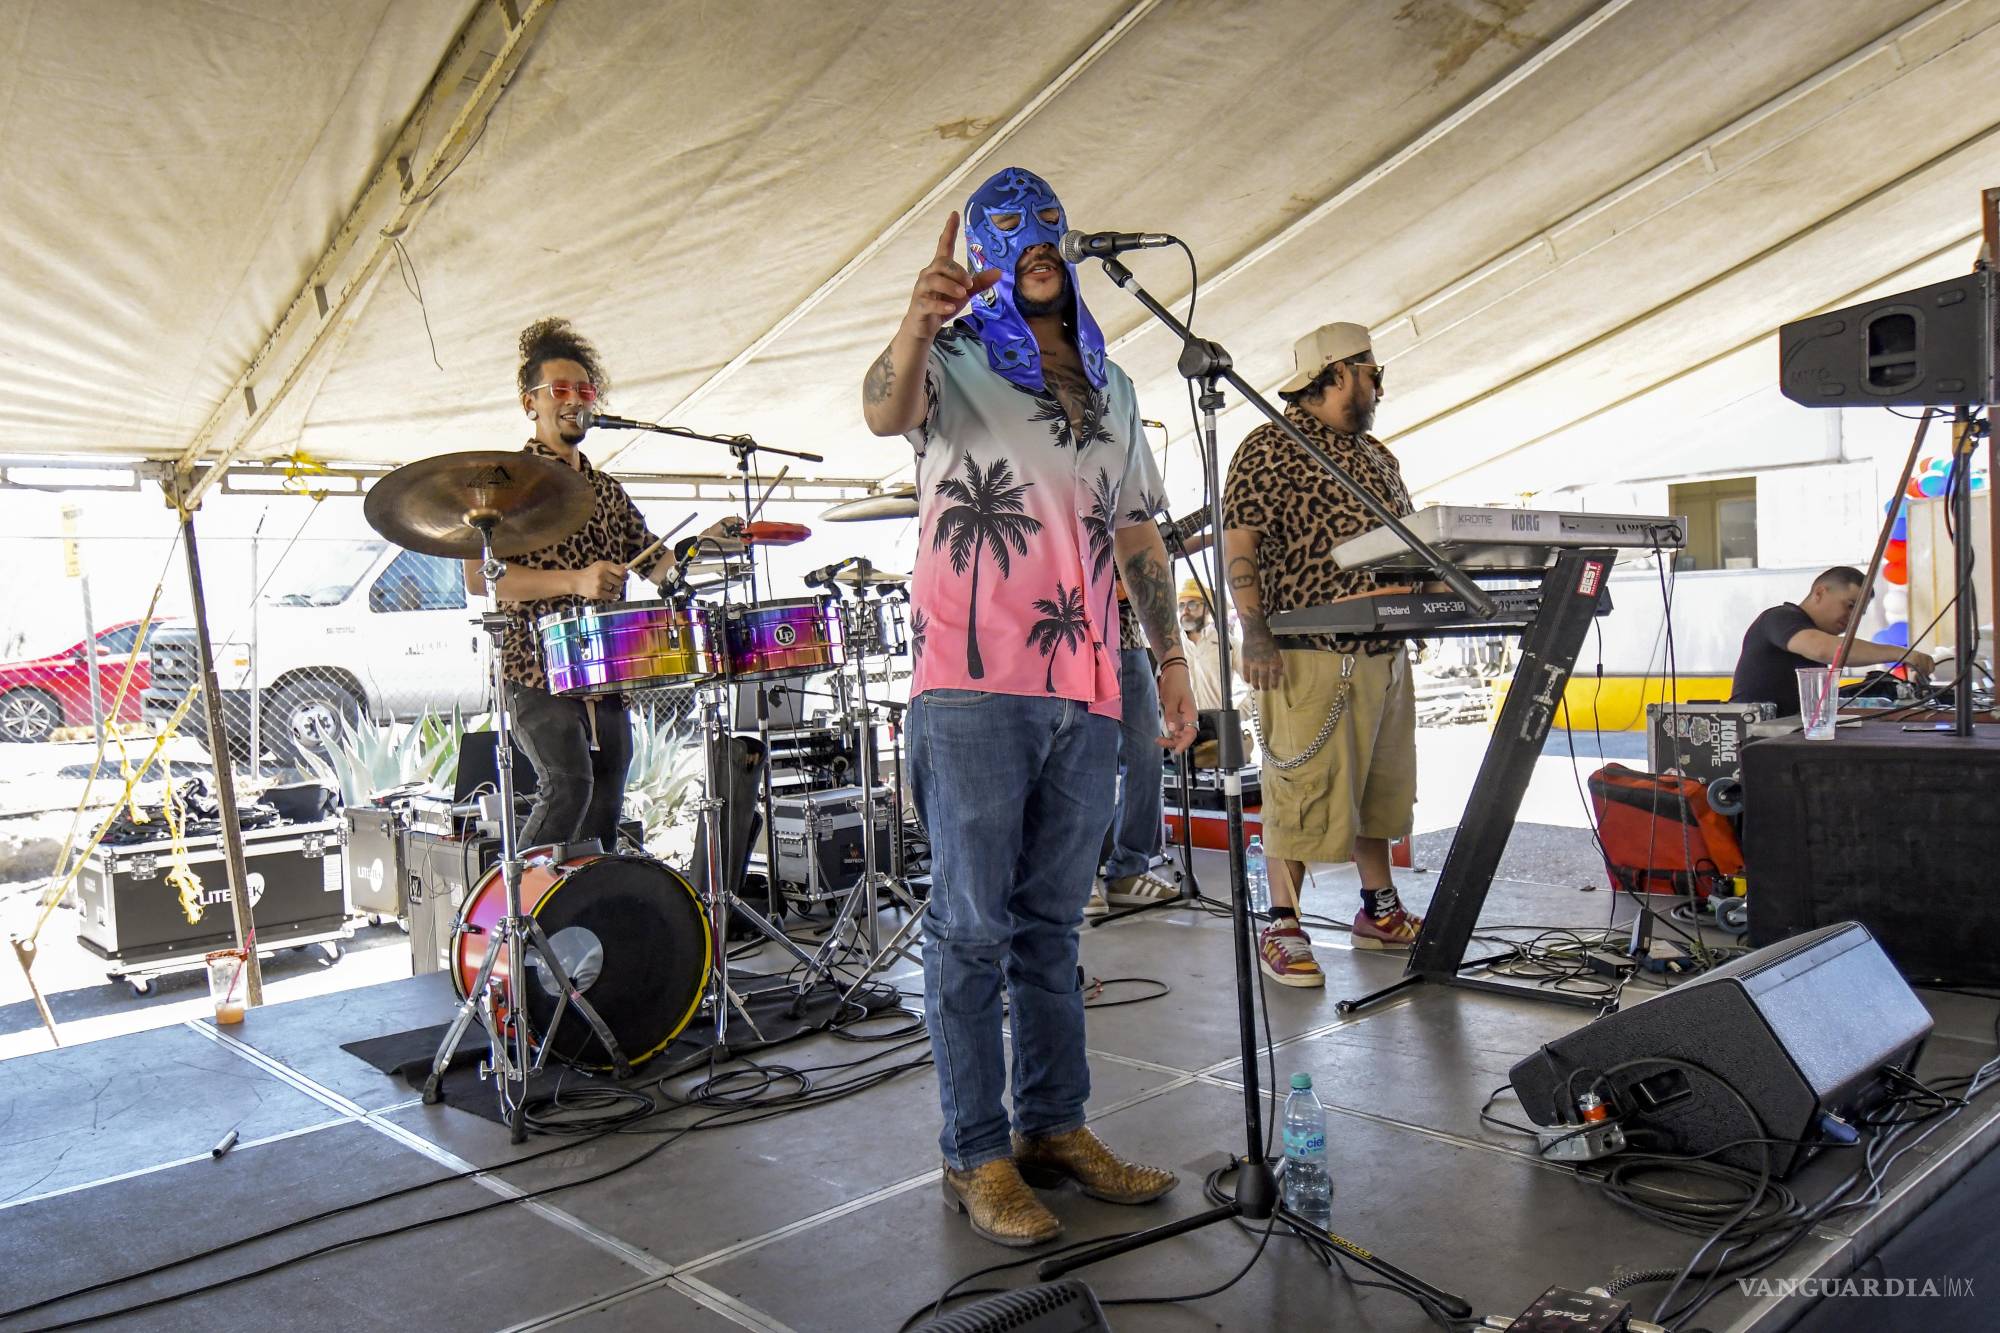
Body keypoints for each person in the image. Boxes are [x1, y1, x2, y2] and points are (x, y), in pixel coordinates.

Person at [862, 166, 1195, 1248]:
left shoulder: (1116, 383)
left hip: (1087, 685)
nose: (1033, 237)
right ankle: (974, 1151)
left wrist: (1171, 658)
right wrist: (914, 322)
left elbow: (1136, 528)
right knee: (967, 928)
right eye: (1009, 229)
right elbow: (881, 410)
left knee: (1052, 926)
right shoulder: (951, 362)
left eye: (1047, 220)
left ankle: (1054, 1127)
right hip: (970, 688)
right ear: (992, 260)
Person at [464, 317, 735, 850]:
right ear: (530, 404)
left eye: (583, 391)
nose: (574, 400)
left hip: (608, 671)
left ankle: (590, 919)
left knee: (608, 802)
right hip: (535, 668)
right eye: (558, 390)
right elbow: (482, 579)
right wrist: (577, 580)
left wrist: (709, 545)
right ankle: (517, 919)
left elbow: (657, 564)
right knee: (568, 787)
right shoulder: (507, 485)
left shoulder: (606, 491)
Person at [1222, 322, 1421, 988]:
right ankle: (1282, 923)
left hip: (1383, 653)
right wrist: (1254, 631)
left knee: (1377, 791)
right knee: (1300, 794)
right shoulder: (1269, 447)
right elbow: (1240, 546)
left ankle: (1380, 910)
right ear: (1336, 372)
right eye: (1372, 372)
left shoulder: (1375, 456)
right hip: (1308, 653)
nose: (1379, 385)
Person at [1086, 591, 1180, 918]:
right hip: (1073, 632)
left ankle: (1129, 870)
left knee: (1147, 753)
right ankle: (1077, 876)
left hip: (1127, 636)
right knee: (1085, 758)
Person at [1729, 566, 1933, 715]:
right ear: (1820, 592)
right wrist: (1901, 653)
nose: (1852, 619)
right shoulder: (1779, 618)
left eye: (1859, 614)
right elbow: (1822, 648)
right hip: (1748, 741)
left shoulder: (1815, 641)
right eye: (1850, 605)